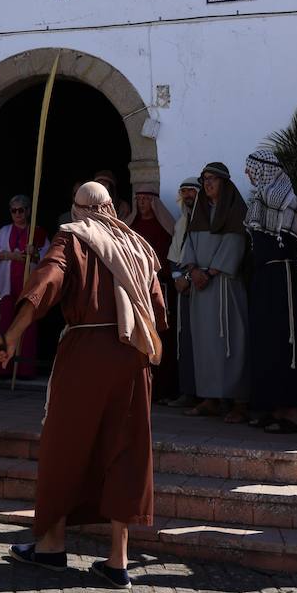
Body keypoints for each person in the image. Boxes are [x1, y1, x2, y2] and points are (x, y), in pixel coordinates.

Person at [0, 180, 165, 588]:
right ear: (111, 208)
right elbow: (158, 309)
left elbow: (46, 281)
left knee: (64, 446)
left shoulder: (72, 237)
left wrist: (12, 334)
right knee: (126, 451)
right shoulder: (138, 246)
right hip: (134, 358)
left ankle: (51, 545)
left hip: (85, 353)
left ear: (77, 209)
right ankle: (118, 560)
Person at [243, 151, 297, 433]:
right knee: (266, 342)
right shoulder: (258, 202)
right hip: (263, 280)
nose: (248, 174)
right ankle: (276, 409)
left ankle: (294, 413)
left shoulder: (286, 200)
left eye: (251, 169)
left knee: (285, 341)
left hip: (283, 279)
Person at [179, 162, 250, 422]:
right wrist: (193, 270)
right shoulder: (200, 210)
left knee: (233, 341)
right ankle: (211, 399)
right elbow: (189, 243)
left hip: (224, 287)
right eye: (205, 179)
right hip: (201, 288)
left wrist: (210, 273)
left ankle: (239, 402)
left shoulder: (234, 209)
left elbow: (235, 243)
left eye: (213, 179)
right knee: (205, 344)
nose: (208, 183)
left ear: (224, 182)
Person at [127, 183, 178, 402]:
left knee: (161, 334)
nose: (142, 203)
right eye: (139, 199)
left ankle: (163, 389)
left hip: (160, 288)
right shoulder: (131, 226)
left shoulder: (165, 227)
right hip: (136, 288)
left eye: (146, 199)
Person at [0, 195, 49, 379]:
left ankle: (25, 370)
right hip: (7, 286)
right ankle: (1, 369)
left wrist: (35, 253)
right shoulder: (4, 231)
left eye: (21, 210)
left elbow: (47, 258)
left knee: (27, 327)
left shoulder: (37, 232)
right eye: (13, 210)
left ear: (28, 211)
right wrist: (10, 255)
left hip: (27, 287)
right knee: (4, 326)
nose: (17, 214)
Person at [165, 176, 200, 407]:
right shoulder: (181, 223)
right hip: (183, 289)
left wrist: (187, 279)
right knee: (185, 341)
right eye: (184, 191)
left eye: (191, 191)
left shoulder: (207, 221)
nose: (187, 195)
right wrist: (178, 277)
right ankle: (188, 392)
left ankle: (207, 396)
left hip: (202, 287)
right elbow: (174, 255)